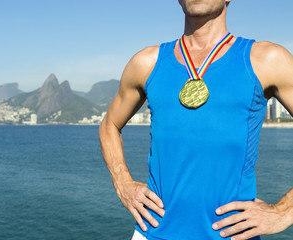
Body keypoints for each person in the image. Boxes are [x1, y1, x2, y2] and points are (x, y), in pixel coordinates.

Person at [99, 0, 293, 239]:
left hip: (232, 235)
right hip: (152, 233)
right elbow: (109, 124)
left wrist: (284, 211)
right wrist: (123, 184)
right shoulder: (146, 63)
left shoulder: (267, 60)